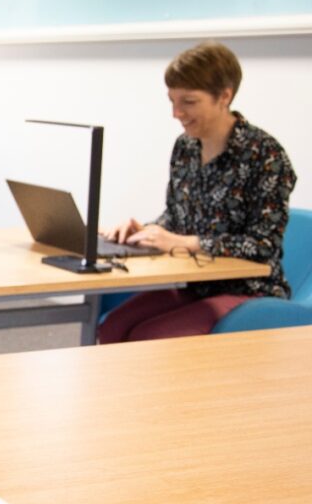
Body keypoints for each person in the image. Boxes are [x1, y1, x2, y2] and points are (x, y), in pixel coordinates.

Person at [99, 41, 297, 343]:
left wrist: (185, 242)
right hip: (194, 282)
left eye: (189, 102)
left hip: (249, 290)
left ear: (224, 96)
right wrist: (150, 229)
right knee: (112, 326)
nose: (176, 113)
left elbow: (263, 245)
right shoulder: (185, 147)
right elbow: (177, 213)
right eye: (172, 101)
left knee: (152, 337)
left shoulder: (264, 155)